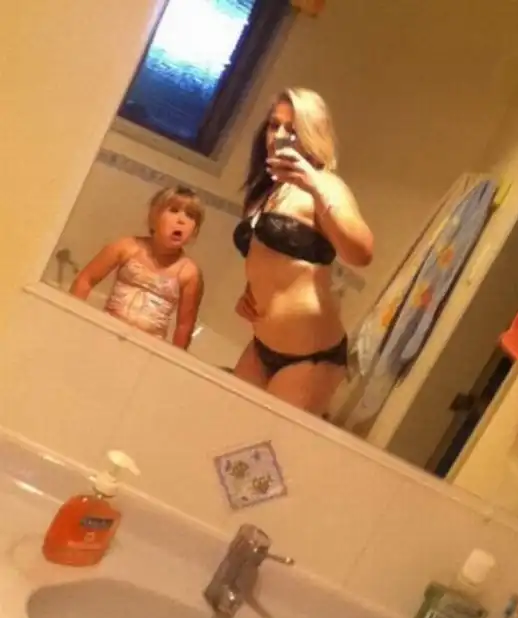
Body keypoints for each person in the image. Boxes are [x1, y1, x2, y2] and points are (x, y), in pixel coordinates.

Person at [232, 87, 373, 416]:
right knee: (227, 425)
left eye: (292, 130)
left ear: (312, 135)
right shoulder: (269, 189)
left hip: (309, 358)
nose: (279, 136)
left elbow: (362, 254)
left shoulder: (327, 186)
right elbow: (272, 260)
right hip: (261, 345)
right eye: (274, 125)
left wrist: (315, 187)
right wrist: (251, 293)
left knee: (261, 444)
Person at [70, 185, 204, 350]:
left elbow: (184, 326)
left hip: (148, 349)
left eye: (190, 216)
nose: (181, 220)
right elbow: (85, 280)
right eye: (174, 210)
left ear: (195, 230)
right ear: (154, 216)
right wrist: (71, 322)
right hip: (106, 331)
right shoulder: (127, 247)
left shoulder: (189, 272)